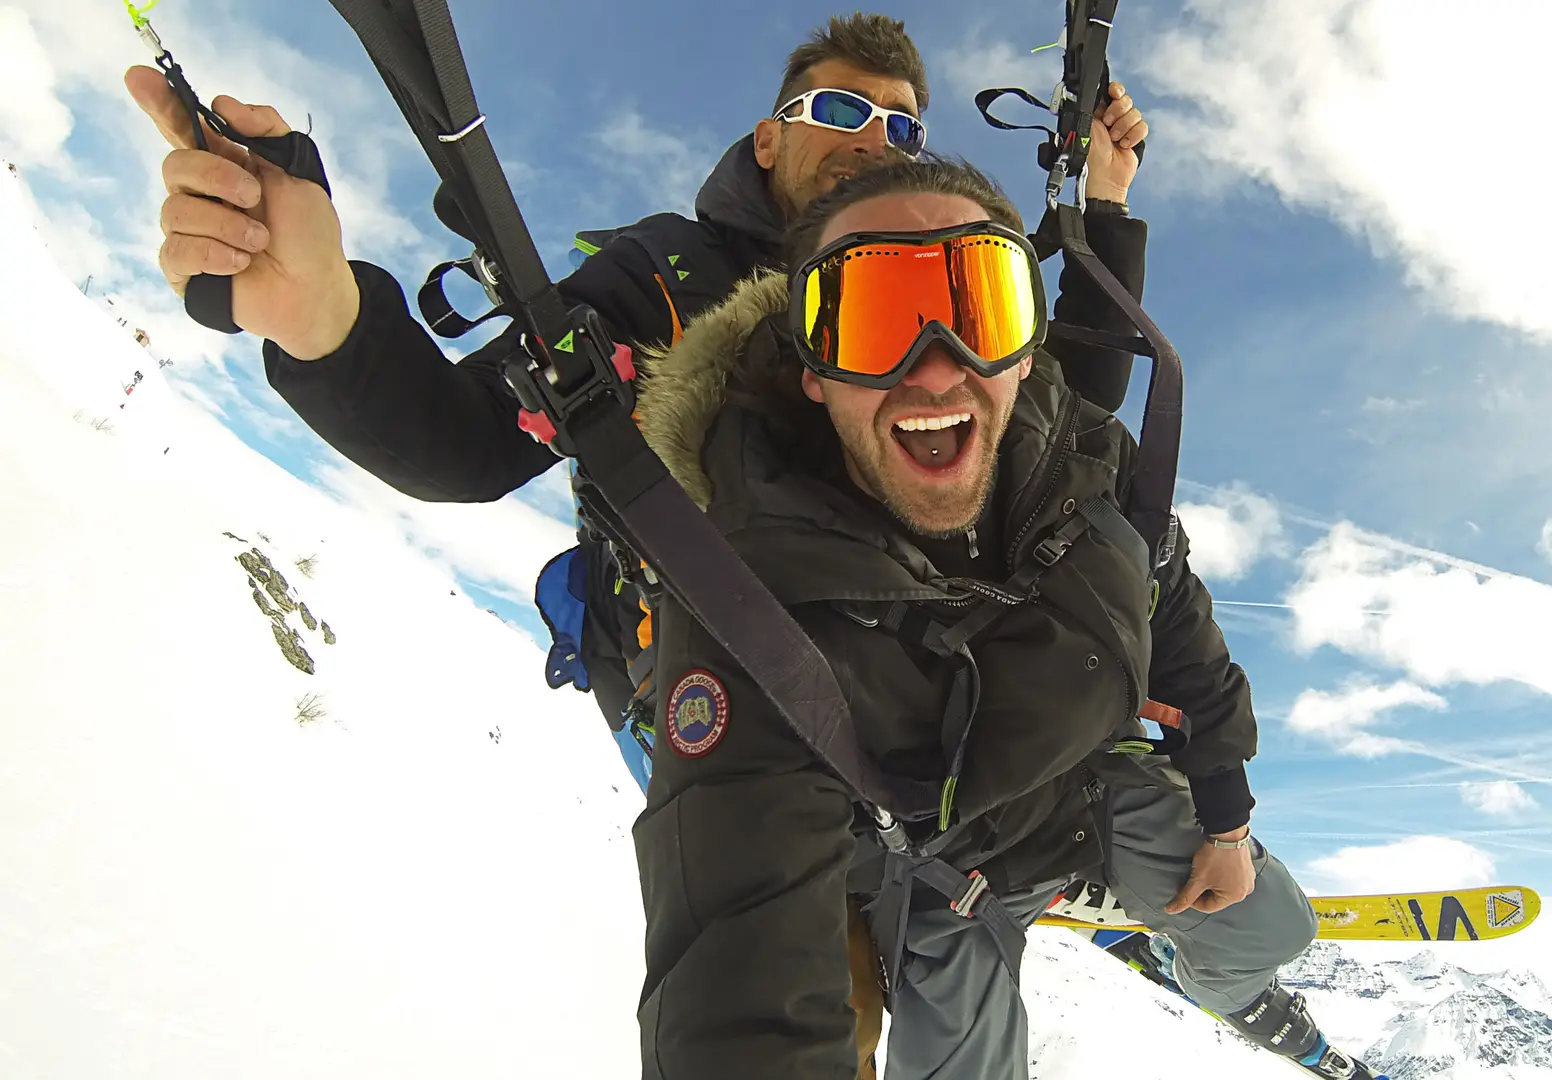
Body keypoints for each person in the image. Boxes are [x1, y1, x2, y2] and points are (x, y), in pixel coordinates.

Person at [123, 13, 1151, 747]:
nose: (876, 135)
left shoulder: (936, 280)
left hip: (923, 682)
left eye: (902, 125)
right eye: (842, 107)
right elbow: (467, 439)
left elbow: (1069, 416)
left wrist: (1105, 205)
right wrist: (326, 323)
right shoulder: (667, 277)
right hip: (718, 691)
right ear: (769, 136)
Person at [627, 156, 1378, 1080]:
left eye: (979, 308)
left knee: (1277, 925)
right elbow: (735, 953)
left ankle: (1232, 985)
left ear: (1025, 349)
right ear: (811, 366)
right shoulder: (750, 592)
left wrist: (1223, 817)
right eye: (872, 318)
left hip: (1088, 797)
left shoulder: (1090, 469)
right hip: (947, 876)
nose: (937, 370)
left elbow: (1178, 627)